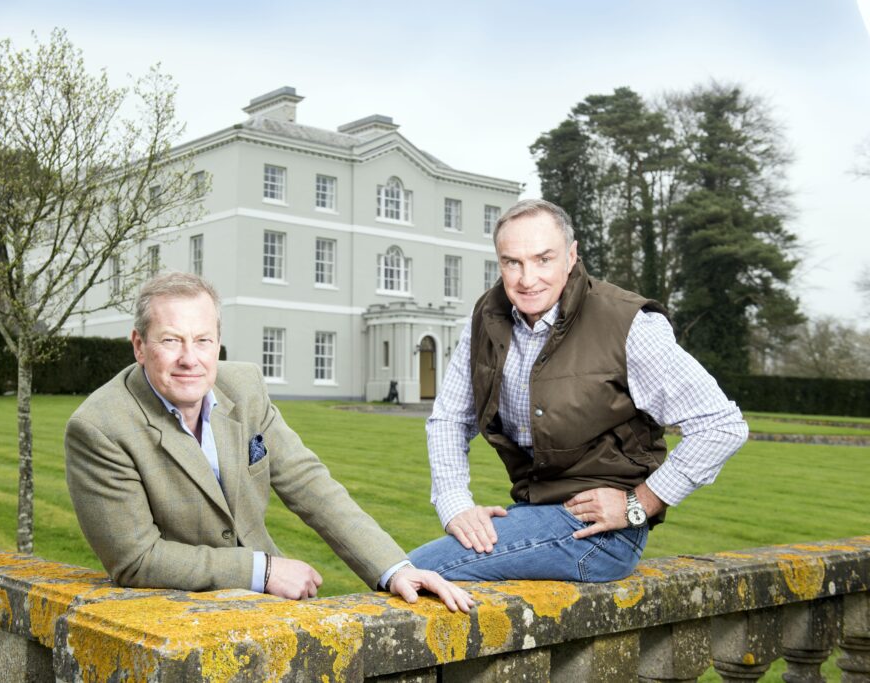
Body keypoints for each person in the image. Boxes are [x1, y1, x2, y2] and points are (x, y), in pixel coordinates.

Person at [65, 272, 472, 611]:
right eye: (171, 340)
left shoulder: (243, 386)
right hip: (173, 614)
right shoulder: (100, 427)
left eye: (203, 340)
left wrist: (393, 568)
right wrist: (262, 571)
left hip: (269, 607)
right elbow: (136, 559)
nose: (190, 358)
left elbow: (307, 482)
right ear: (139, 345)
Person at [409, 198, 748, 583]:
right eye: (512, 263)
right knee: (412, 575)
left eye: (543, 259)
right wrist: (456, 505)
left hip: (602, 534)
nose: (526, 278)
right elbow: (450, 418)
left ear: (571, 256)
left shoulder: (627, 324)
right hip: (534, 511)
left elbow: (721, 425)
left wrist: (640, 504)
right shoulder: (486, 317)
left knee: (416, 572)